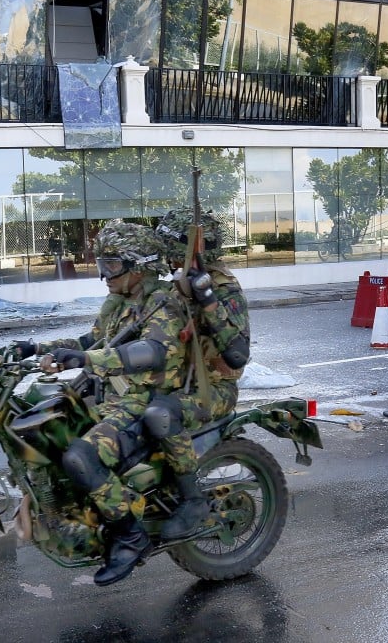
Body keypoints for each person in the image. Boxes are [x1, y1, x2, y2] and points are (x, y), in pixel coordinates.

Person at [12, 221, 186, 586]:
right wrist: (38, 348)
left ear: (137, 266)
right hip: (111, 395)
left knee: (81, 456)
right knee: (52, 431)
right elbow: (90, 340)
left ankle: (130, 535)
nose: (104, 274)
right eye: (102, 264)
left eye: (112, 265)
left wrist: (90, 361)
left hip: (147, 400)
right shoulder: (120, 302)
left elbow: (153, 351)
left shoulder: (163, 303)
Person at [149, 207, 251, 540]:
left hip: (214, 390)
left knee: (161, 415)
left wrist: (206, 297)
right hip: (180, 382)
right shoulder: (176, 285)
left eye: (170, 246)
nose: (166, 255)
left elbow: (237, 354)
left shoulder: (222, 287)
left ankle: (191, 500)